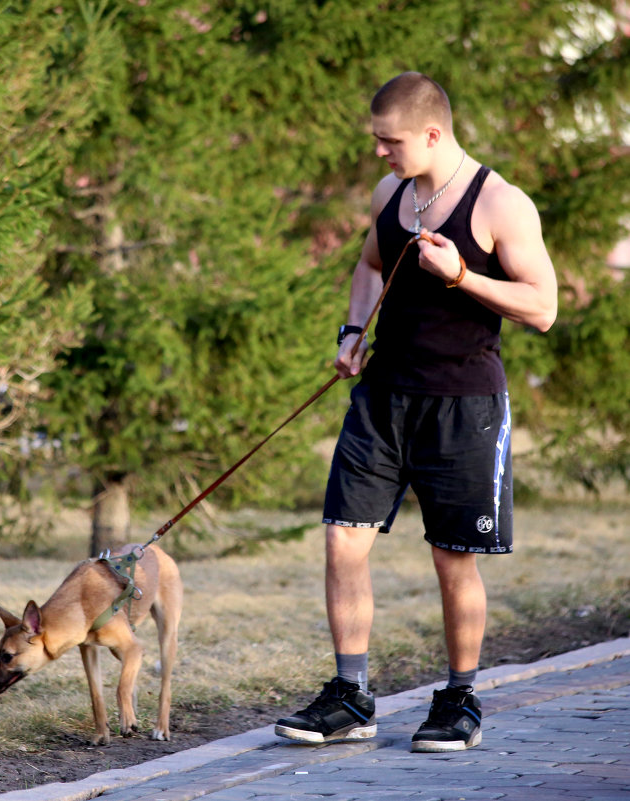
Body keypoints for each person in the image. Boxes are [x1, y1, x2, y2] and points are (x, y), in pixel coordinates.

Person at [275, 72, 557, 753]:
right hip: (381, 398)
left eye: (389, 140)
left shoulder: (500, 204)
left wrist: (463, 275)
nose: (380, 152)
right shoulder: (390, 195)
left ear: (432, 133)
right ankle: (351, 696)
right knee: (344, 538)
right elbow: (370, 264)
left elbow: (543, 308)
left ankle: (459, 698)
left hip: (464, 404)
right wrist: (352, 332)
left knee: (452, 557)